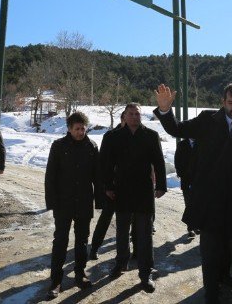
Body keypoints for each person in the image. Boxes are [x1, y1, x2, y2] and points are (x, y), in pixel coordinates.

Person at [155, 83, 232, 304]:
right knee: (211, 266)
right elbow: (177, 129)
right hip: (211, 212)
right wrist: (166, 110)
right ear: (223, 102)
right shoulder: (207, 121)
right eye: (231, 103)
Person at [103, 103, 166, 293]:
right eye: (131, 114)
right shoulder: (113, 137)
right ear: (124, 116)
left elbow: (159, 161)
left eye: (137, 114)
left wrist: (161, 185)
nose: (134, 117)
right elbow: (105, 163)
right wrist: (108, 186)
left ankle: (146, 273)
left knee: (145, 234)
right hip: (121, 190)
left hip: (144, 192)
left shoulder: (150, 136)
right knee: (122, 231)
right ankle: (121, 263)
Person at [45, 112, 102, 299]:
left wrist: (100, 200)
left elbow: (97, 177)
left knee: (82, 241)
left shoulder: (91, 147)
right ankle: (56, 280)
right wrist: (51, 202)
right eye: (77, 129)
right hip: (63, 203)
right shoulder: (59, 146)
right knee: (60, 241)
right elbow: (50, 176)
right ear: (69, 129)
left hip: (84, 202)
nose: (80, 132)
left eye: (83, 129)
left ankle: (80, 274)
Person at [90, 110, 127, 260]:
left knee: (130, 221)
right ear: (122, 119)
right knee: (106, 217)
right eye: (128, 116)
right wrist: (106, 186)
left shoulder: (139, 135)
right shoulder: (110, 136)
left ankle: (130, 251)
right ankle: (94, 248)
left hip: (131, 186)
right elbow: (103, 163)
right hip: (113, 185)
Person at [174, 137, 198, 238]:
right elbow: (177, 161)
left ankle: (197, 224)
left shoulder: (202, 143)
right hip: (186, 180)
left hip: (199, 181)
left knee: (198, 203)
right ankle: (190, 227)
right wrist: (182, 174)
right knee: (189, 204)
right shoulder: (182, 144)